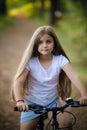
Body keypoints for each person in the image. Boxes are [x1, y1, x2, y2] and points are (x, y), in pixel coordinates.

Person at [11, 26, 87, 130]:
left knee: (66, 123)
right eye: (40, 42)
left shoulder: (60, 60)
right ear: (35, 45)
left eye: (48, 42)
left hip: (52, 102)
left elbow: (74, 76)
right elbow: (18, 81)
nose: (45, 45)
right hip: (32, 103)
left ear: (54, 43)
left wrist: (84, 95)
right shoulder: (31, 61)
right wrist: (20, 101)